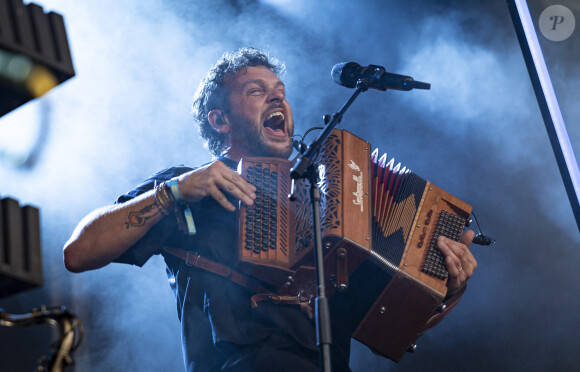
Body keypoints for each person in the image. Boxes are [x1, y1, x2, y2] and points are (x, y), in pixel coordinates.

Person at [63, 47, 477, 372]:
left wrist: (448, 291)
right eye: (257, 91)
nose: (277, 96)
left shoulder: (324, 205)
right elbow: (79, 251)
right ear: (220, 119)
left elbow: (394, 325)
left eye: (280, 90)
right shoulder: (189, 187)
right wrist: (172, 191)